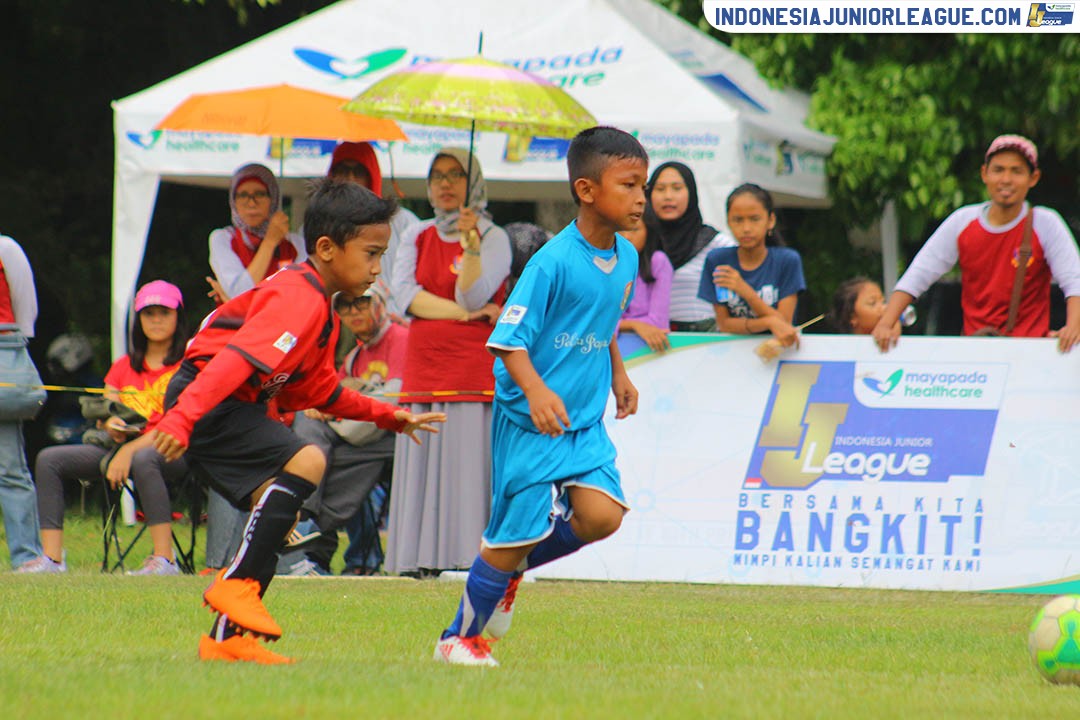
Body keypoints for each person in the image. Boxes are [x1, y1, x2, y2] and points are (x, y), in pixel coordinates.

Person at [153, 179, 445, 665]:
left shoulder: (322, 315)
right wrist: (182, 418)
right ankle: (236, 588)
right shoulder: (298, 296)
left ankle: (228, 639)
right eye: (372, 253)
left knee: (278, 517)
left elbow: (319, 392)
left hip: (220, 404)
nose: (378, 268)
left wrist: (389, 417)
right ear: (327, 248)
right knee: (308, 457)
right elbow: (232, 362)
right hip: (210, 397)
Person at [433, 126, 643, 667]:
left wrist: (618, 374)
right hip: (531, 420)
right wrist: (538, 391)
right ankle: (457, 639)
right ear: (587, 190)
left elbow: (606, 321)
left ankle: (508, 574)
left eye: (643, 185)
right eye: (630, 185)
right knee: (512, 534)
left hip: (581, 421)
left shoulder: (626, 257)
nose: (642, 197)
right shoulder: (551, 261)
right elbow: (507, 341)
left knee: (602, 515)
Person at [385, 147, 512, 576]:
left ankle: (468, 557)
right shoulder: (416, 234)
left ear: (472, 183)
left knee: (465, 459)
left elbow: (473, 294)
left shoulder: (494, 237)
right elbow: (404, 296)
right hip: (424, 362)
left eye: (456, 175)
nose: (444, 183)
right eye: (437, 175)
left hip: (471, 368)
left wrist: (471, 247)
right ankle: (414, 559)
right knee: (423, 452)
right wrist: (464, 316)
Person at [21, 281, 190, 574]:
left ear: (178, 317)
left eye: (164, 312)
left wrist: (129, 450)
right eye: (149, 313)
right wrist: (110, 425)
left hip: (172, 450)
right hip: (118, 448)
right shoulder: (123, 366)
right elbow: (106, 410)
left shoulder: (188, 366)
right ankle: (52, 559)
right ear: (138, 321)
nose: (157, 320)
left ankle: (165, 559)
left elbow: (182, 421)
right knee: (49, 459)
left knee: (143, 458)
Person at [873, 134, 1080, 352]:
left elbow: (1074, 278)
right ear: (985, 174)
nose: (1006, 179)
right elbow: (920, 273)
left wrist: (1073, 326)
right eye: (998, 170)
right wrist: (887, 322)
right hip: (975, 351)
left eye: (1016, 171)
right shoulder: (963, 221)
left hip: (1030, 351)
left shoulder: (1045, 222)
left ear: (1033, 178)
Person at [277, 285, 408, 576]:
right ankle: (333, 551)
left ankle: (310, 530)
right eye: (345, 306)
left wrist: (340, 405)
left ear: (380, 304)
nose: (353, 312)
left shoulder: (400, 338)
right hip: (359, 437)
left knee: (327, 459)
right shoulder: (354, 357)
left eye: (361, 303)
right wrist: (330, 406)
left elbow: (396, 397)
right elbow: (327, 396)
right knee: (313, 430)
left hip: (400, 435)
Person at [697, 184, 804, 347]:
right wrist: (768, 322)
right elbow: (725, 324)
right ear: (728, 222)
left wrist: (744, 290)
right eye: (738, 220)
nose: (746, 228)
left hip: (778, 351)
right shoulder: (717, 261)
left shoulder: (787, 261)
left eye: (754, 219)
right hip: (731, 353)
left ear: (771, 220)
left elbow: (784, 324)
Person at [326, 142, 421, 318]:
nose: (351, 179)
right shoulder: (321, 225)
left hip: (394, 322)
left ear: (372, 176)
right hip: (339, 324)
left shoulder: (401, 221)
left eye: (359, 172)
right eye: (343, 171)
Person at [0, 233, 44, 570]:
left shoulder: (5, 248)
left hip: (3, 352)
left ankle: (27, 557)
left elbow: (26, 311)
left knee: (10, 467)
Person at [647, 162, 733, 332]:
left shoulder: (718, 245)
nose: (668, 196)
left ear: (691, 193)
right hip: (649, 344)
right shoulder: (638, 245)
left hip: (704, 342)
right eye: (660, 189)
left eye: (677, 188)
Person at [208, 163, 306, 301]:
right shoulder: (223, 239)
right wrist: (270, 242)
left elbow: (303, 295)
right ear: (233, 201)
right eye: (243, 195)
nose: (252, 203)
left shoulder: (295, 244)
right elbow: (239, 294)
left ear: (273, 199)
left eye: (260, 194)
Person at [617, 212, 673, 355]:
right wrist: (634, 324)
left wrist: (618, 325)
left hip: (647, 352)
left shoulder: (658, 261)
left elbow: (659, 322)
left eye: (634, 229)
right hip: (608, 352)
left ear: (649, 231)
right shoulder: (603, 266)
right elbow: (597, 323)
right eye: (620, 229)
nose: (627, 237)